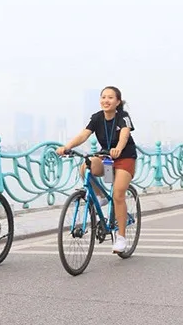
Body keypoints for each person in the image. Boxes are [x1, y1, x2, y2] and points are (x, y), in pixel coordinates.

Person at [56, 86, 137, 254]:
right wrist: (67, 146)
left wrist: (119, 149)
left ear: (117, 102)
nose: (106, 100)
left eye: (110, 98)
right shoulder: (97, 117)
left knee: (118, 193)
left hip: (124, 157)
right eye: (103, 97)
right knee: (85, 167)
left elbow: (125, 135)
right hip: (106, 158)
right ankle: (100, 197)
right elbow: (84, 135)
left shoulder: (123, 116)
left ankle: (121, 237)